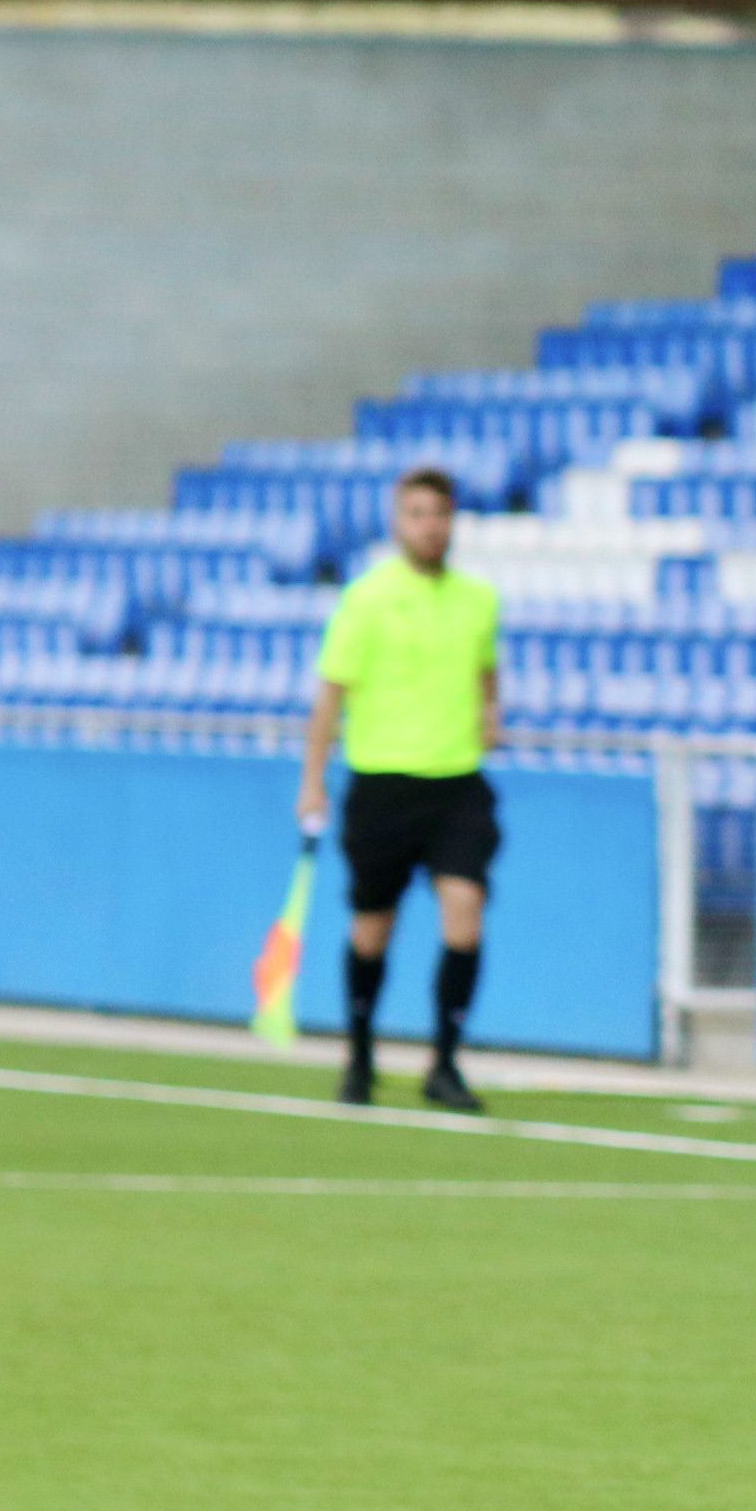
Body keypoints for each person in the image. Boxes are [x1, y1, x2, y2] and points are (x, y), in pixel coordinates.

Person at [301, 465, 501, 1112]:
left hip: (457, 784)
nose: (430, 526)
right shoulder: (365, 599)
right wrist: (313, 782)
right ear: (397, 522)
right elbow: (330, 697)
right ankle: (359, 1055)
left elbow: (487, 672)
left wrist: (490, 712)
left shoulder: (478, 600)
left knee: (465, 908)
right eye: (417, 514)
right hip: (383, 782)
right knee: (372, 929)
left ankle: (444, 1060)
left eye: (439, 514)